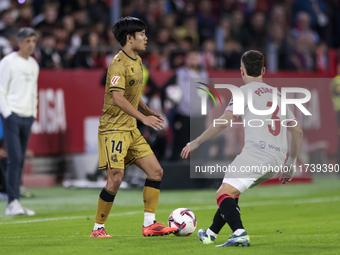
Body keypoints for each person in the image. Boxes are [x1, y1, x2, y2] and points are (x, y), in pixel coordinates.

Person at [181, 50, 303, 247]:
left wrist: (196, 142)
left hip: (257, 153)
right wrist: (291, 162)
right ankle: (211, 233)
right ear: (263, 70)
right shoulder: (278, 94)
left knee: (223, 194)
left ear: (241, 71)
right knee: (232, 191)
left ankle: (239, 233)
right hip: (277, 159)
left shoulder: (243, 92)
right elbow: (297, 132)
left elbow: (223, 123)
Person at [90, 17, 177, 238]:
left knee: (156, 171)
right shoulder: (118, 63)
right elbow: (118, 98)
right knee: (116, 178)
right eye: (142, 34)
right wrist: (143, 118)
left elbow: (133, 95)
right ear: (130, 38)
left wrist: (146, 111)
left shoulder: (137, 60)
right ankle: (98, 228)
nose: (146, 38)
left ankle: (150, 224)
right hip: (113, 129)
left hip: (130, 128)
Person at [0, 27, 39, 216]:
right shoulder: (8, 62)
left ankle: (16, 202)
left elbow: (33, 91)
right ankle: (12, 202)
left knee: (20, 159)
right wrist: (7, 113)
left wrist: (33, 112)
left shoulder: (33, 64)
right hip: (12, 115)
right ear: (19, 42)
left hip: (27, 116)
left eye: (33, 41)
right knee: (14, 158)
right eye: (28, 41)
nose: (31, 44)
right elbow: (1, 89)